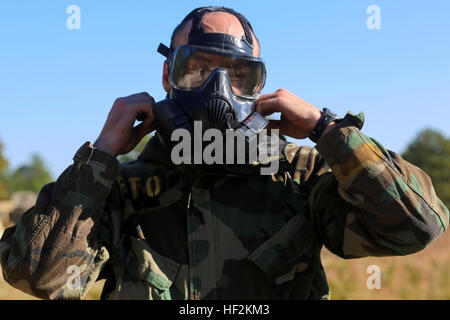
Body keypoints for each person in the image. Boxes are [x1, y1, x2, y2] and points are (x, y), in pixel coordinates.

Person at [0, 6, 448, 300]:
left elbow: (418, 226)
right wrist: (100, 157)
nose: (219, 91)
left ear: (260, 86)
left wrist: (327, 130)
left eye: (238, 75)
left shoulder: (296, 174)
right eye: (196, 69)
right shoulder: (121, 187)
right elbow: (39, 277)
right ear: (166, 75)